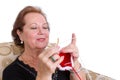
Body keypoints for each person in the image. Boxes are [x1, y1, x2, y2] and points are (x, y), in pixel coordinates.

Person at [2, 6, 86, 80]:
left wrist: (74, 62)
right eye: (34, 27)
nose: (41, 32)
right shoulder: (12, 72)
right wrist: (44, 75)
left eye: (45, 27)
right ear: (20, 33)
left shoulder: (59, 58)